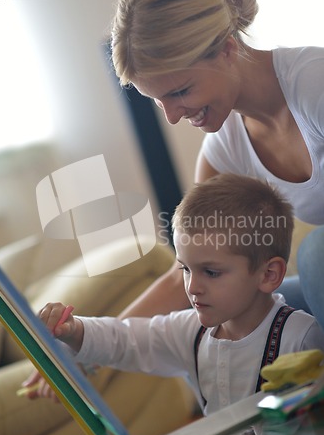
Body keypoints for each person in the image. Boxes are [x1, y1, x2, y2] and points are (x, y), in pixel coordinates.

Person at [111, 0, 324, 329]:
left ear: (227, 50)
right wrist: (86, 346)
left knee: (315, 256)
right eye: (160, 101)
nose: (174, 116)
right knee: (219, 320)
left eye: (180, 92)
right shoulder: (225, 151)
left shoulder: (313, 83)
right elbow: (193, 270)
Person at [36, 174, 324, 414]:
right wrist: (73, 330)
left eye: (211, 272)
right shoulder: (189, 331)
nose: (192, 287)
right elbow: (125, 338)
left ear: (268, 275)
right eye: (186, 269)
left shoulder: (303, 336)